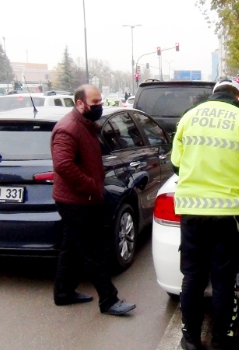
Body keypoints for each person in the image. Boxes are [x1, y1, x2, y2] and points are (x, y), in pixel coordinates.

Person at [172, 79, 239, 350]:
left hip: (192, 211)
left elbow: (176, 166)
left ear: (213, 95)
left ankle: (189, 339)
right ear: (237, 97)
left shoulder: (189, 117)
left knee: (192, 276)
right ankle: (220, 339)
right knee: (223, 279)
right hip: (228, 213)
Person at [51, 84, 136, 316]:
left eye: (100, 101)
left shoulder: (86, 125)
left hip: (84, 196)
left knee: (70, 247)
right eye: (95, 103)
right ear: (80, 103)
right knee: (93, 251)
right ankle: (108, 300)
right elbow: (63, 165)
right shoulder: (68, 129)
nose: (100, 106)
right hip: (75, 200)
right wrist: (90, 185)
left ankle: (63, 293)